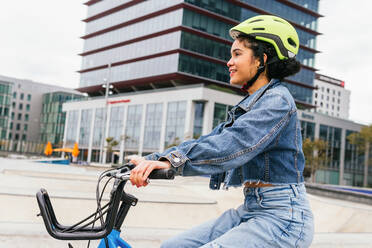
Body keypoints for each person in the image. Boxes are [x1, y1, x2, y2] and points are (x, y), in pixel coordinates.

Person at [129, 15, 314, 248]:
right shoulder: (249, 105)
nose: (229, 62)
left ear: (261, 60)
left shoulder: (277, 101)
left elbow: (235, 143)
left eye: (237, 54)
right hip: (252, 208)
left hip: (282, 219)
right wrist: (153, 160)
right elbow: (212, 140)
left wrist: (174, 163)